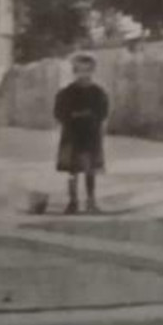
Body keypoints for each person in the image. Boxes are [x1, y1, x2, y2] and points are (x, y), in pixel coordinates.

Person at [54, 54, 110, 214]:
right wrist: (72, 117)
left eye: (87, 71)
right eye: (80, 71)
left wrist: (93, 119)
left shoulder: (98, 92)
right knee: (72, 171)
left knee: (90, 169)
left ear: (93, 71)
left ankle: (91, 201)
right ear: (74, 72)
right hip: (72, 136)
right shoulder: (67, 93)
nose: (84, 74)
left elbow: (103, 112)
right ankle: (73, 202)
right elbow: (59, 112)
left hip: (90, 136)